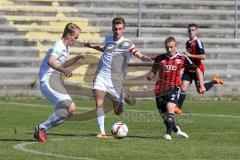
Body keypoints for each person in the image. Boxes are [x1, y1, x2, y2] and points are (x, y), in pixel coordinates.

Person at [84, 17, 152, 138]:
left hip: (115, 79)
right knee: (99, 102)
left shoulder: (128, 43)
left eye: (120, 29)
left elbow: (139, 55)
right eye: (115, 29)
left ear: (123, 29)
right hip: (101, 75)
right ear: (112, 28)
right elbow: (104, 49)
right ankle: (102, 132)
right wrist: (92, 46)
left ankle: (121, 99)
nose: (117, 31)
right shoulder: (108, 39)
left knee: (118, 111)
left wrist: (148, 58)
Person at [34, 23, 85, 142]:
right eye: (75, 37)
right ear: (68, 35)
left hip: (53, 81)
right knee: (70, 107)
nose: (76, 40)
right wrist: (65, 71)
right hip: (47, 81)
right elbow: (51, 62)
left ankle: (42, 129)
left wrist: (77, 57)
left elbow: (63, 63)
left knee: (69, 110)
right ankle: (42, 128)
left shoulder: (65, 47)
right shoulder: (59, 46)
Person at [147, 36, 206, 140]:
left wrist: (201, 85)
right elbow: (153, 70)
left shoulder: (182, 58)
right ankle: (175, 129)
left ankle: (168, 134)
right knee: (164, 116)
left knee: (170, 107)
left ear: (176, 47)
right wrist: (150, 76)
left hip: (174, 87)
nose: (169, 49)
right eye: (167, 47)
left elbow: (197, 69)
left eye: (171, 47)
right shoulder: (160, 58)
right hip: (159, 89)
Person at [175, 23, 224, 114]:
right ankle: (178, 108)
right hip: (189, 69)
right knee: (183, 86)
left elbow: (203, 56)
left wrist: (190, 55)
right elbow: (189, 57)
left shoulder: (197, 42)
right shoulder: (187, 43)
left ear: (196, 31)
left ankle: (214, 81)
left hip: (198, 70)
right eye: (189, 30)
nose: (191, 32)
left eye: (193, 30)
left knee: (201, 91)